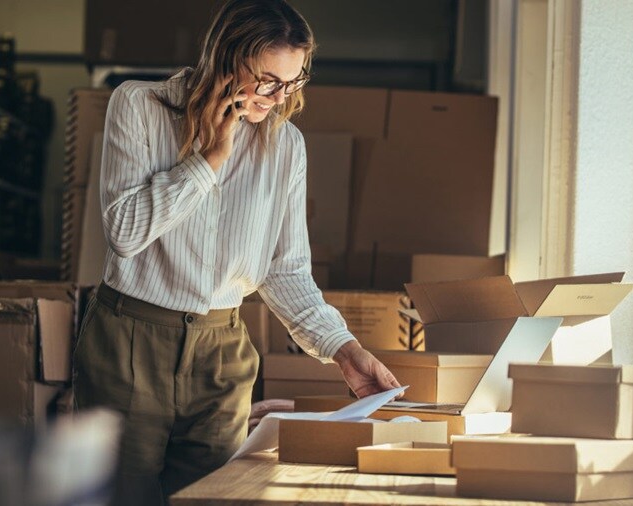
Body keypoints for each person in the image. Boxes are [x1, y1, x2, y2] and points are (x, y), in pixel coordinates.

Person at [73, 0, 402, 503]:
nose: (278, 96)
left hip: (222, 353)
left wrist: (344, 350)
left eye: (292, 82)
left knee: (212, 497)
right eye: (267, 79)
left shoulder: (286, 146)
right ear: (226, 57)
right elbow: (125, 231)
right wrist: (209, 161)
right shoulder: (139, 106)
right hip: (129, 342)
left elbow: (285, 270)